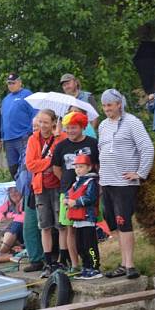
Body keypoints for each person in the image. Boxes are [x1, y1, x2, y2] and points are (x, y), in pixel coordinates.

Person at [98, 89, 155, 279]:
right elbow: (101, 150)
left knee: (124, 222)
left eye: (110, 105)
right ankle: (122, 263)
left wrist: (140, 173)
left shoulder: (132, 123)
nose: (107, 109)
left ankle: (130, 265)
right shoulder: (103, 125)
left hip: (124, 182)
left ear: (119, 104)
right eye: (104, 106)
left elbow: (147, 148)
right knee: (114, 223)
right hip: (107, 181)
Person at [53, 111, 99, 276]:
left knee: (87, 232)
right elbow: (56, 168)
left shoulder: (93, 143)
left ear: (82, 127)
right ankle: (75, 264)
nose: (70, 131)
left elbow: (98, 164)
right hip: (67, 191)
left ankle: (92, 264)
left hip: (88, 190)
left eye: (74, 127)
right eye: (68, 128)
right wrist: (68, 184)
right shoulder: (61, 145)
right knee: (70, 229)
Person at [25, 109, 67, 276]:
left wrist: (56, 139)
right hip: (40, 186)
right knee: (45, 225)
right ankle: (48, 261)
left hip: (57, 184)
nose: (42, 126)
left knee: (61, 224)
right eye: (40, 122)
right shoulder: (33, 139)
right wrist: (49, 162)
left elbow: (61, 159)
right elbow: (31, 165)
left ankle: (63, 259)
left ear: (53, 123)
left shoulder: (60, 138)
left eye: (46, 122)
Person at [65, 153, 102, 280]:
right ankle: (86, 267)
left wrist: (76, 202)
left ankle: (95, 267)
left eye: (81, 167)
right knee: (80, 245)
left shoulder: (91, 182)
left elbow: (90, 197)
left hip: (87, 218)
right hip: (77, 221)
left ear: (89, 167)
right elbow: (69, 193)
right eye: (76, 167)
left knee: (90, 245)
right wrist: (66, 200)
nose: (78, 169)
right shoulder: (76, 183)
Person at [1, 73, 36, 179]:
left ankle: (28, 193)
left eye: (13, 83)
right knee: (13, 168)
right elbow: (3, 118)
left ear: (20, 82)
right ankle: (18, 192)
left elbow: (35, 114)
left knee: (25, 167)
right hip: (8, 139)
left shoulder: (27, 94)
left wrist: (29, 131)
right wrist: (2, 135)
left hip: (23, 137)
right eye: (9, 83)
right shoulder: (5, 99)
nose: (11, 85)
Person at [0, 186, 25, 255]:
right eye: (11, 192)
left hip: (24, 231)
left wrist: (11, 217)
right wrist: (3, 218)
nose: (13, 194)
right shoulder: (8, 204)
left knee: (16, 224)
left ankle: (2, 251)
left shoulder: (25, 202)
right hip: (11, 233)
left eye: (16, 191)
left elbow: (24, 218)